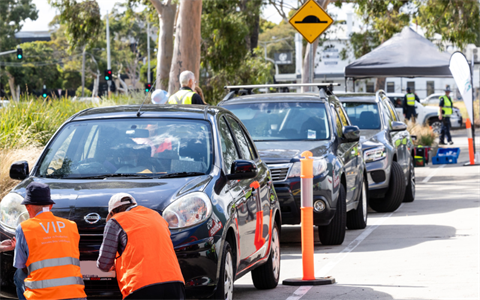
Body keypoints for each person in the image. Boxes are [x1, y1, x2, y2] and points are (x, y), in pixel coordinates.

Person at [97, 193, 185, 300]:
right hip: (175, 282)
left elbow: (104, 264)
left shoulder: (116, 220)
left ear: (113, 212)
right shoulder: (156, 216)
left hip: (140, 286)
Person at [13, 182, 86, 300]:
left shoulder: (24, 228)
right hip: (76, 295)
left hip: (42, 296)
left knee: (18, 275)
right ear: (50, 206)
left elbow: (21, 265)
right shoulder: (71, 225)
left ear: (27, 207)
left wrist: (23, 247)